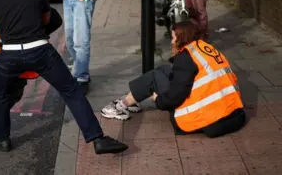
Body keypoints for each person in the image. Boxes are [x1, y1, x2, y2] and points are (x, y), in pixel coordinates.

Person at [0, 0, 128, 154]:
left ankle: (1, 138)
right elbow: (47, 18)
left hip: (9, 52)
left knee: (1, 94)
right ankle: (97, 138)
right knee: (71, 90)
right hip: (40, 50)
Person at [101, 21, 246, 138]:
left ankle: (120, 106)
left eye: (173, 37)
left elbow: (176, 97)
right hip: (229, 112)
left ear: (181, 38)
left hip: (204, 116)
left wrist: (158, 100)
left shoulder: (185, 58)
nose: (171, 41)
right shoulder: (204, 48)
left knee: (153, 77)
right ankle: (133, 100)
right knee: (164, 69)